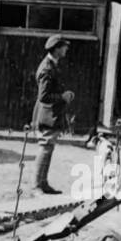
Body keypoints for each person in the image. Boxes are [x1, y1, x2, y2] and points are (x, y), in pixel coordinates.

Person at [32, 35, 75, 194]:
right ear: (56, 48)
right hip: (47, 114)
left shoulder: (53, 65)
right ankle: (37, 185)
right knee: (45, 147)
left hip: (53, 113)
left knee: (48, 148)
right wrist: (62, 97)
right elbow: (43, 97)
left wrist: (65, 94)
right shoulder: (47, 69)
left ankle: (43, 183)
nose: (66, 49)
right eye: (64, 46)